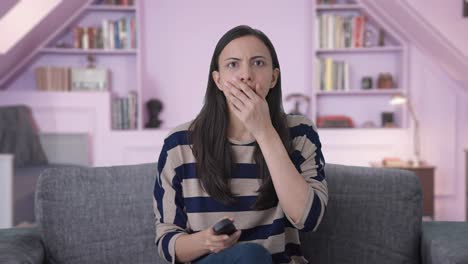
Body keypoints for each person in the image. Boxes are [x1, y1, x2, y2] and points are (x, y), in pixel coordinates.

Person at [153, 25, 328, 264]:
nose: (246, 75)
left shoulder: (300, 133)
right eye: (233, 64)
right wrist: (207, 241)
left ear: (274, 77)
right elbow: (167, 243)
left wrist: (264, 131)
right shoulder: (180, 143)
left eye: (258, 63)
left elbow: (308, 218)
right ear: (218, 80)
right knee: (250, 255)